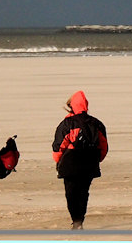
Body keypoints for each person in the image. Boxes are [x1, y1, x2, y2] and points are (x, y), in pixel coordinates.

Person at [52, 91, 109, 229]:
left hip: (70, 164)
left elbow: (58, 147)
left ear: (71, 106)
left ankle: (76, 221)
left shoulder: (66, 124)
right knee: (83, 193)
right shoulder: (97, 123)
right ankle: (80, 221)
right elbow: (104, 146)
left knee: (71, 194)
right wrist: (96, 160)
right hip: (89, 164)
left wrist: (59, 162)